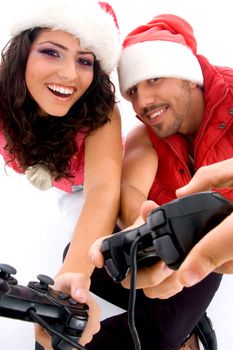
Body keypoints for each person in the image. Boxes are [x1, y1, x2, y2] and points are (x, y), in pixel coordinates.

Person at [88, 14, 233, 350]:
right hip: (161, 233)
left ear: (188, 76)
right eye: (133, 91)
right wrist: (141, 224)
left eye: (153, 79)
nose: (142, 103)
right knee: (89, 257)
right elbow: (131, 188)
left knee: (161, 335)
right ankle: (185, 318)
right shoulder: (146, 134)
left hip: (209, 241)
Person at [0, 0, 122, 348]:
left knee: (106, 248)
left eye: (84, 60)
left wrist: (74, 271)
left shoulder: (102, 112)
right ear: (23, 51)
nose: (70, 74)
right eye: (52, 52)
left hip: (89, 186)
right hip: (64, 185)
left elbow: (103, 188)